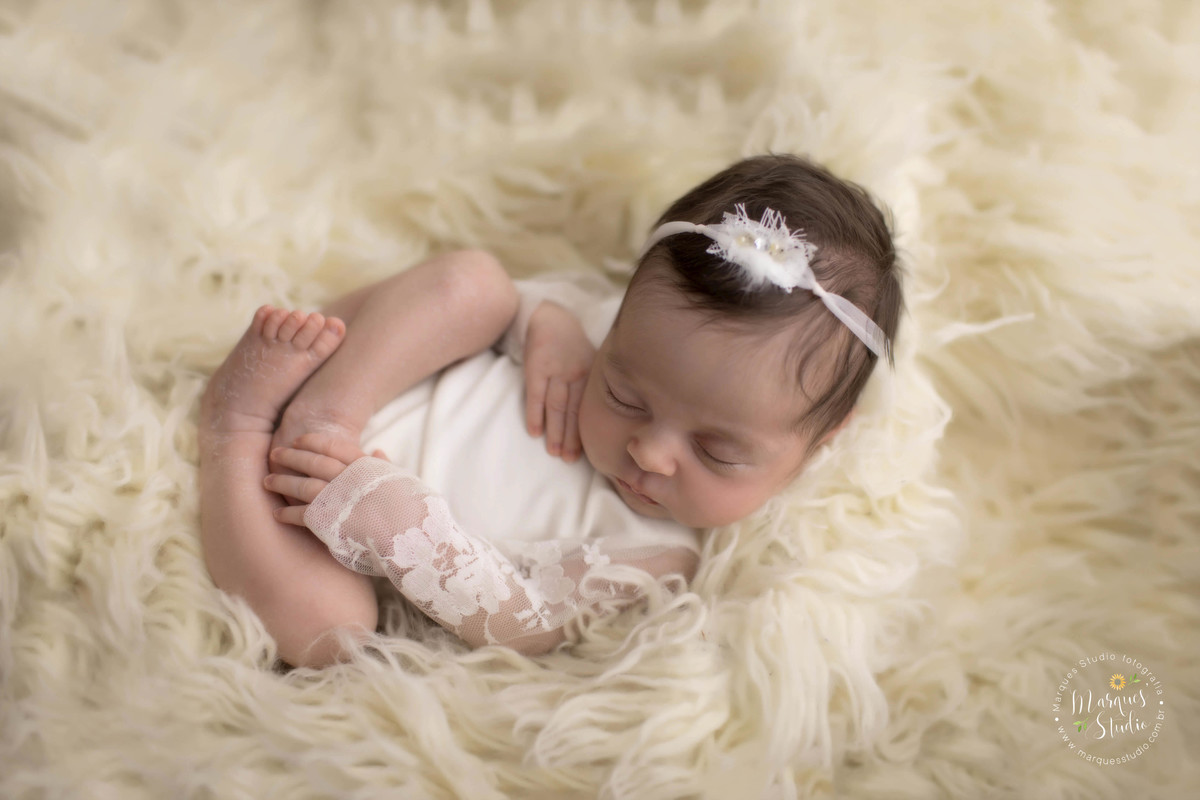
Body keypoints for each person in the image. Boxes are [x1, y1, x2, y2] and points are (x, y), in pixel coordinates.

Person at [197, 154, 904, 667]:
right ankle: (321, 412)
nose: (650, 452)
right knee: (477, 284)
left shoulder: (657, 556)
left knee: (333, 634)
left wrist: (400, 529)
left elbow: (518, 617)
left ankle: (237, 428)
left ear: (817, 444)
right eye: (624, 394)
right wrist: (549, 324)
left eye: (717, 450)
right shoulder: (609, 332)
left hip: (311, 525)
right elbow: (516, 308)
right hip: (368, 381)